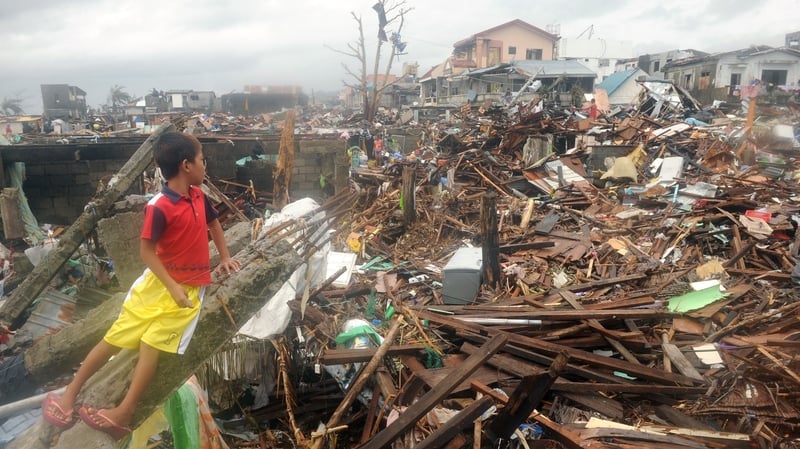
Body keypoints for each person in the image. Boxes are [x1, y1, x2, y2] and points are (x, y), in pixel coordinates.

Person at [41, 131, 241, 439]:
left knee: (152, 342)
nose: (206, 166)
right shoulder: (159, 206)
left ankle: (125, 411)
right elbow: (147, 251)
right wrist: (171, 287)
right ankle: (69, 394)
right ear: (186, 165)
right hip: (157, 287)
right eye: (203, 160)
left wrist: (225, 257)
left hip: (189, 287)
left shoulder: (199, 197)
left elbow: (213, 222)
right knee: (115, 337)